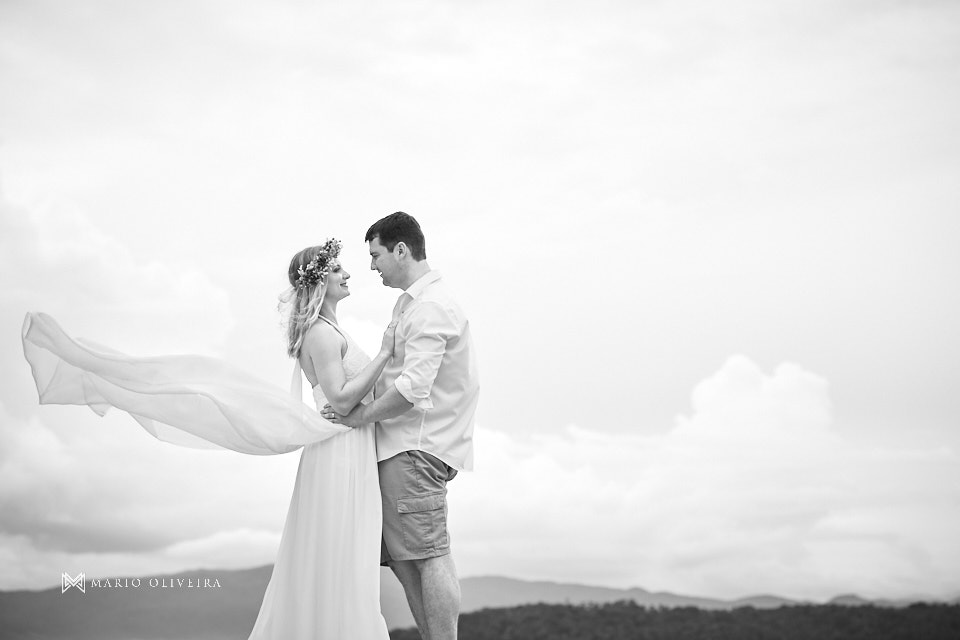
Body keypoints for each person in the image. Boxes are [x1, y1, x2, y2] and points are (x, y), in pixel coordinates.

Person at [21, 239, 394, 640]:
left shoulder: (330, 329)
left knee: (344, 553)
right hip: (340, 452)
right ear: (320, 280)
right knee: (339, 552)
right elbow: (339, 397)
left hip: (348, 445)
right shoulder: (321, 334)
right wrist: (385, 354)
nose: (348, 273)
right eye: (338, 269)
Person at [322, 212, 480, 640]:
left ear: (401, 250)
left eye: (375, 255)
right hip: (401, 446)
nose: (371, 266)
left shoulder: (429, 307)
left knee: (428, 554)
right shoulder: (411, 302)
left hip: (415, 445)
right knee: (406, 559)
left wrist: (357, 417)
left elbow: (413, 388)